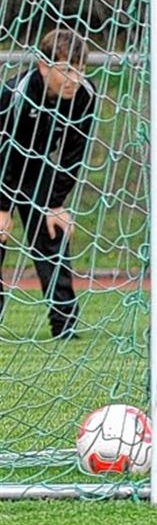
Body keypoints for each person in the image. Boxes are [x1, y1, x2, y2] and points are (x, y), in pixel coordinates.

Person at [0, 28, 97, 339]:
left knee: (52, 234)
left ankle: (64, 326)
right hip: (3, 167)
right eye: (66, 69)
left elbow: (73, 153)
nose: (74, 79)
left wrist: (55, 204)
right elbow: (3, 152)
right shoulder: (15, 94)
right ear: (44, 66)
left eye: (80, 70)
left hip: (37, 170)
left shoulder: (85, 95)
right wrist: (2, 208)